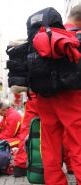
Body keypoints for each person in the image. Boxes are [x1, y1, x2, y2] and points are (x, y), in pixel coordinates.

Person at [37, 5, 81, 184]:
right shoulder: (75, 36)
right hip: (72, 96)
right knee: (79, 143)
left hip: (44, 96)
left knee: (50, 148)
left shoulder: (45, 35)